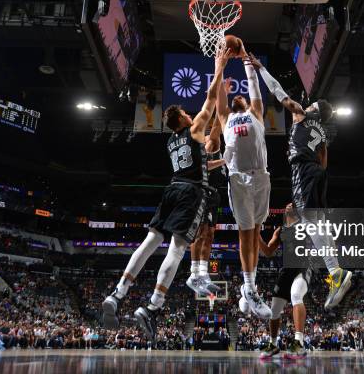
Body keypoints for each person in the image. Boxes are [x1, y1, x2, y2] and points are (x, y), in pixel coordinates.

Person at [101, 48, 233, 341]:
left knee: (150, 241)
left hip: (172, 188)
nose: (190, 113)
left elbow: (199, 164)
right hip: (191, 194)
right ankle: (153, 306)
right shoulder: (195, 128)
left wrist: (222, 161)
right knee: (176, 249)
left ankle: (117, 293)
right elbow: (210, 99)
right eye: (186, 113)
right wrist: (220, 66)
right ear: (184, 120)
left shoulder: (172, 141)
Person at [248, 54, 352, 310]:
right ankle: (336, 272)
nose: (307, 104)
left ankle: (336, 272)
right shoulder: (322, 130)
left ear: (314, 109)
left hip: (304, 172)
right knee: (318, 224)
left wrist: (261, 68)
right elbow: (324, 157)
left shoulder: (301, 115)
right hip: (317, 173)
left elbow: (278, 91)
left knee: (309, 222)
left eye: (311, 103)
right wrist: (314, 167)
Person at [214, 39, 271, 319]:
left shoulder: (255, 113)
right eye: (234, 97)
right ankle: (249, 288)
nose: (239, 96)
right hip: (237, 180)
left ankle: (251, 287)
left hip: (261, 178)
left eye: (242, 96)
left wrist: (245, 53)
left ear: (247, 103)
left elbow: (254, 83)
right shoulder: (225, 119)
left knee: (256, 234)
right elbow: (218, 103)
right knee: (245, 235)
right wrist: (221, 68)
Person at [186, 89, 229, 296]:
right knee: (199, 234)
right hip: (202, 193)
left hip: (215, 194)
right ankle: (194, 273)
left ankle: (203, 273)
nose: (214, 137)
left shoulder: (216, 144)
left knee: (210, 235)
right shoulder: (208, 146)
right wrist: (221, 95)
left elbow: (218, 127)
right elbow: (217, 126)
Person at [258, 203, 311, 360]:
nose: (289, 205)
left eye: (293, 204)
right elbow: (268, 252)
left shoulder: (305, 225)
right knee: (274, 310)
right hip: (286, 270)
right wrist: (256, 236)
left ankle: (299, 343)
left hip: (303, 267)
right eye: (287, 204)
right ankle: (273, 344)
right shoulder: (280, 230)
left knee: (296, 295)